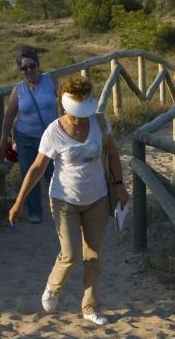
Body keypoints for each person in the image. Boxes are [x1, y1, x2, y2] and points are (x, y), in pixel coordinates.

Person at [8, 76, 129, 326]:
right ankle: (53, 287)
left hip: (97, 197)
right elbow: (36, 169)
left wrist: (120, 187)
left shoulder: (99, 121)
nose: (80, 118)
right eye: (76, 113)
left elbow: (113, 154)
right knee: (71, 254)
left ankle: (90, 307)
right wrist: (19, 202)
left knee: (93, 256)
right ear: (64, 106)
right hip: (65, 201)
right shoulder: (53, 132)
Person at [0, 48, 59, 224]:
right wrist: (4, 137)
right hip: (25, 138)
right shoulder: (19, 89)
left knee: (54, 173)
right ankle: (35, 212)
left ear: (38, 65)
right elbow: (10, 114)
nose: (29, 70)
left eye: (31, 65)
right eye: (24, 68)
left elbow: (64, 102)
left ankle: (63, 206)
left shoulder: (51, 80)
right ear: (20, 71)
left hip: (50, 138)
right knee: (28, 174)